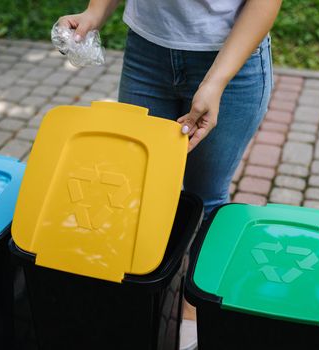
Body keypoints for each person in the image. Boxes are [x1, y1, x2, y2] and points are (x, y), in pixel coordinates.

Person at [58, 1, 282, 348]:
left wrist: (215, 82)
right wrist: (94, 13)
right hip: (147, 54)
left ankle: (190, 313)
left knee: (205, 198)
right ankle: (139, 305)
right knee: (134, 191)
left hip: (230, 61)